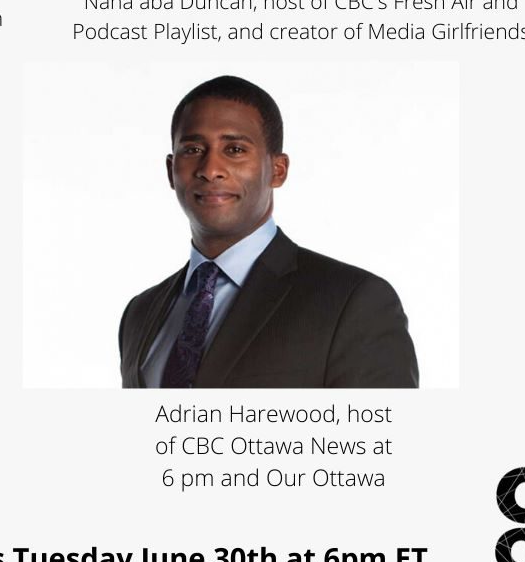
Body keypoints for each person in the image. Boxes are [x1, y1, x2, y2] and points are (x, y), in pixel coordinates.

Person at [119, 76, 418, 388]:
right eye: (193, 149)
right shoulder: (140, 314)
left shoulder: (352, 303)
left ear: (278, 170)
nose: (210, 169)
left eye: (234, 149)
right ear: (171, 170)